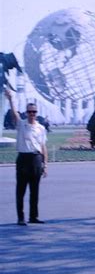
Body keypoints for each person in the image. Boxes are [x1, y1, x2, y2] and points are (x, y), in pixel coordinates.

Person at [5, 89, 48, 226]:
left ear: (36, 113)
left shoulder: (41, 128)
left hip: (36, 159)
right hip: (23, 159)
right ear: (26, 113)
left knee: (35, 191)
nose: (32, 114)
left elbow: (43, 147)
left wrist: (45, 164)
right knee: (21, 190)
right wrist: (11, 99)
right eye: (29, 112)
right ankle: (20, 217)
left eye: (34, 112)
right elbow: (14, 113)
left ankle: (33, 216)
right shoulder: (21, 124)